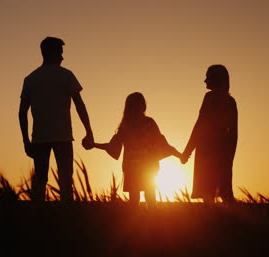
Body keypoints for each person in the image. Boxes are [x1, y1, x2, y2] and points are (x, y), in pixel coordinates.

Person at [18, 36, 94, 204]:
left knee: (40, 180)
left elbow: (22, 112)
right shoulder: (66, 76)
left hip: (39, 138)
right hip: (63, 137)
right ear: (52, 52)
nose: (62, 57)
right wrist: (89, 132)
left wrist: (25, 140)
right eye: (60, 52)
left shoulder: (31, 79)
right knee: (66, 181)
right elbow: (80, 105)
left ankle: (37, 216)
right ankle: (67, 217)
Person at [90, 92, 182, 209]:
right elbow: (161, 143)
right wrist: (178, 154)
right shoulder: (148, 123)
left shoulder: (126, 126)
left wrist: (93, 145)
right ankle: (153, 223)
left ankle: (135, 225)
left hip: (132, 167)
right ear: (143, 106)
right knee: (150, 196)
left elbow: (112, 146)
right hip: (148, 167)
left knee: (134, 200)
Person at [181, 64, 238, 205]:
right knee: (225, 192)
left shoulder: (210, 97)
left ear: (216, 79)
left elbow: (200, 125)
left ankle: (212, 223)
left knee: (208, 194)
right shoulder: (231, 102)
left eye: (208, 77)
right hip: (223, 153)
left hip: (207, 152)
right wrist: (229, 157)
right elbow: (234, 134)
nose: (205, 81)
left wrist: (187, 151)